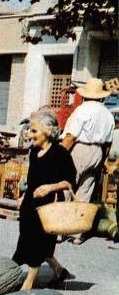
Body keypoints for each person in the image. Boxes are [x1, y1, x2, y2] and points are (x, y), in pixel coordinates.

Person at [12, 110, 77, 290]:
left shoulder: (60, 153)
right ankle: (58, 270)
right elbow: (32, 179)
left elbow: (70, 181)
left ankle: (29, 282)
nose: (29, 134)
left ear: (47, 131)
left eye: (34, 131)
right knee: (26, 236)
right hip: (31, 204)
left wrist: (50, 187)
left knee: (38, 240)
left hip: (49, 205)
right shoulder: (34, 152)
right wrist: (24, 195)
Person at [61, 78, 115, 244]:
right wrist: (103, 160)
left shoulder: (82, 110)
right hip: (97, 152)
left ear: (85, 95)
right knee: (85, 192)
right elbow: (108, 143)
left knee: (66, 186)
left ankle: (59, 230)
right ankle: (77, 234)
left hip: (80, 149)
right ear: (101, 97)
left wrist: (59, 154)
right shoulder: (108, 114)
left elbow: (71, 136)